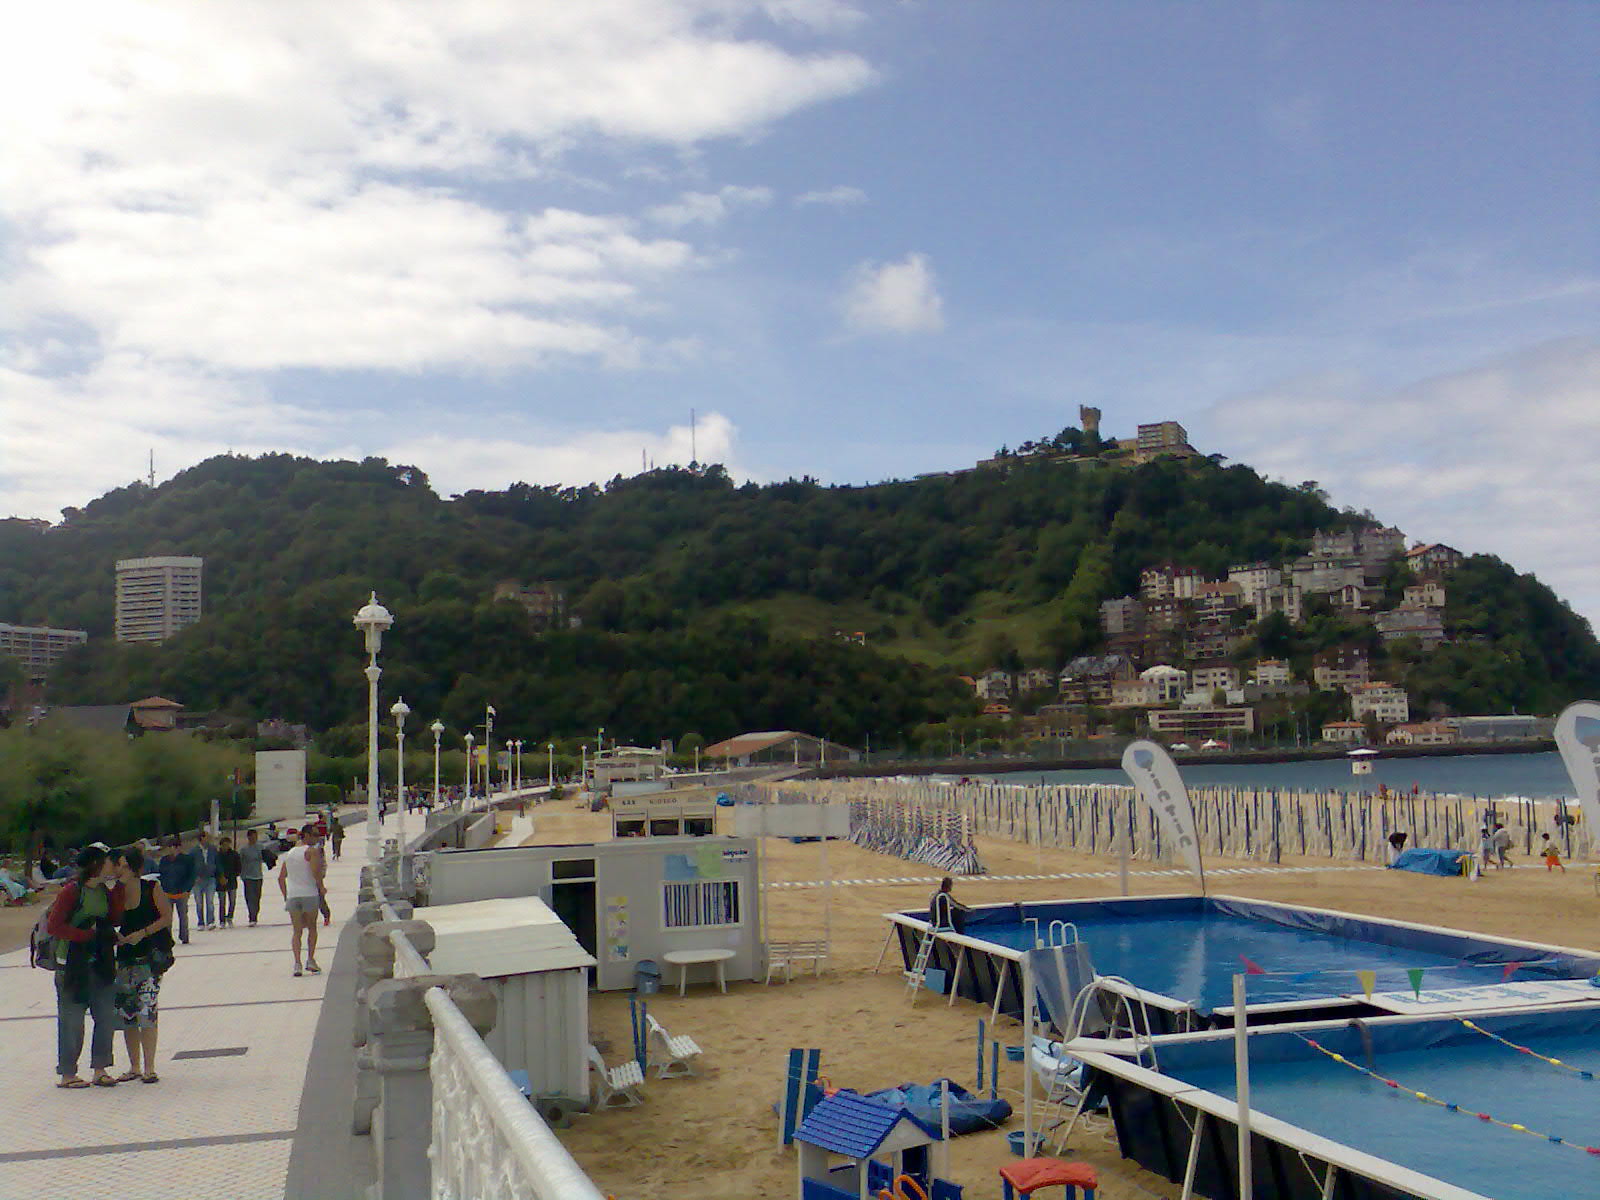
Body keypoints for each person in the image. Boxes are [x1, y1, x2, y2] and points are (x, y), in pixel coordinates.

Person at [48, 847, 125, 1088]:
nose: (113, 866)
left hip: (101, 962)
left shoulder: (104, 890)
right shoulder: (72, 892)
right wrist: (86, 935)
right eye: (109, 862)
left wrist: (117, 888)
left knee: (105, 1016)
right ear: (95, 864)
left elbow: (115, 918)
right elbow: (54, 926)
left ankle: (100, 1068)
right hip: (72, 965)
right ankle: (68, 1073)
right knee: (72, 1021)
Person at [108, 847, 172, 1083]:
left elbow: (166, 917)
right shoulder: (115, 893)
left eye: (125, 866)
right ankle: (134, 1066)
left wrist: (143, 933)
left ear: (135, 868)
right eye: (119, 866)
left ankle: (149, 1067)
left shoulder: (151, 888)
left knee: (147, 1010)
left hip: (149, 958)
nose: (120, 871)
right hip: (124, 959)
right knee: (128, 1013)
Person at [277, 825, 327, 976]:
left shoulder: (289, 853)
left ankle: (297, 963)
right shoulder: (311, 851)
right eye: (315, 834)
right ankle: (310, 960)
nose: (317, 838)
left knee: (297, 931)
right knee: (312, 928)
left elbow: (281, 878)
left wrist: (286, 896)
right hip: (309, 894)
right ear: (306, 835)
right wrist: (321, 887)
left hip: (293, 896)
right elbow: (315, 872)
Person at [156, 836, 196, 944]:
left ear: (178, 847)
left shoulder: (187, 860)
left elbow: (192, 876)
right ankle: (167, 938)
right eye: (169, 847)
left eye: (172, 847)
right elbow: (161, 875)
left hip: (181, 892)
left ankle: (184, 936)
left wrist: (187, 890)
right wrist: (163, 888)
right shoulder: (164, 860)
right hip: (167, 892)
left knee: (183, 916)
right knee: (167, 917)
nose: (170, 850)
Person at [238, 828, 268, 926]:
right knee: (250, 897)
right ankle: (252, 917)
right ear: (248, 837)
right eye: (252, 837)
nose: (254, 838)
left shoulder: (261, 847)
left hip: (258, 876)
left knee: (257, 897)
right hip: (247, 876)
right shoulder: (243, 849)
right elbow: (239, 862)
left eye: (256, 837)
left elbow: (266, 857)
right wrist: (240, 874)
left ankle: (255, 914)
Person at [191, 829, 219, 931]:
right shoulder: (194, 851)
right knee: (199, 903)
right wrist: (193, 877)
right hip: (198, 880)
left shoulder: (213, 849)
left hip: (210, 878)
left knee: (210, 901)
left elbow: (217, 862)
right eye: (206, 837)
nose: (208, 839)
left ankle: (210, 921)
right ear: (201, 838)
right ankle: (201, 922)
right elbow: (190, 865)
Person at [216, 836, 242, 927]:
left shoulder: (234, 854)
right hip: (221, 881)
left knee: (232, 901)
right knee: (222, 902)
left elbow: (238, 866)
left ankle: (230, 916)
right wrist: (220, 877)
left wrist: (234, 875)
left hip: (232, 880)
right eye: (224, 845)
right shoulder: (217, 855)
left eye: (227, 845)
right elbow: (216, 867)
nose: (226, 847)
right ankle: (222, 920)